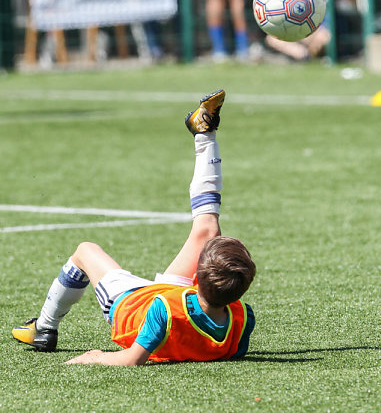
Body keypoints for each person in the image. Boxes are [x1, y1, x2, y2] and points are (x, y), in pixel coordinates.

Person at [12, 89, 256, 366]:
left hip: (131, 305)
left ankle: (44, 328)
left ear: (196, 278)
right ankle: (204, 131)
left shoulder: (163, 312)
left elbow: (133, 358)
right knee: (208, 230)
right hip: (178, 299)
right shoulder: (242, 316)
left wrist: (95, 357)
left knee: (85, 251)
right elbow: (229, 349)